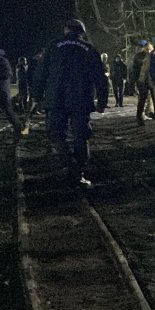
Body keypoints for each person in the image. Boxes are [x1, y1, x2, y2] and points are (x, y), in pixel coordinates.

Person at [33, 19, 107, 186]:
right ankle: (79, 171)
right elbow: (100, 77)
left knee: (57, 134)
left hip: (56, 98)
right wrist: (101, 100)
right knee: (81, 136)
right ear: (82, 32)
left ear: (65, 30)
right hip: (81, 98)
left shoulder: (53, 46)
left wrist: (37, 96)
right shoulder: (89, 48)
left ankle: (69, 164)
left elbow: (41, 73)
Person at [0, 46, 28, 137]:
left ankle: (19, 127)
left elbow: (8, 73)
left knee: (8, 110)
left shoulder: (0, 60)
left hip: (1, 89)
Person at [131, 40, 153, 123]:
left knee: (148, 99)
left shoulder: (149, 55)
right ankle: (139, 117)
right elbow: (135, 69)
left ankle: (142, 116)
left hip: (146, 80)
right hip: (143, 80)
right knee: (143, 98)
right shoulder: (140, 56)